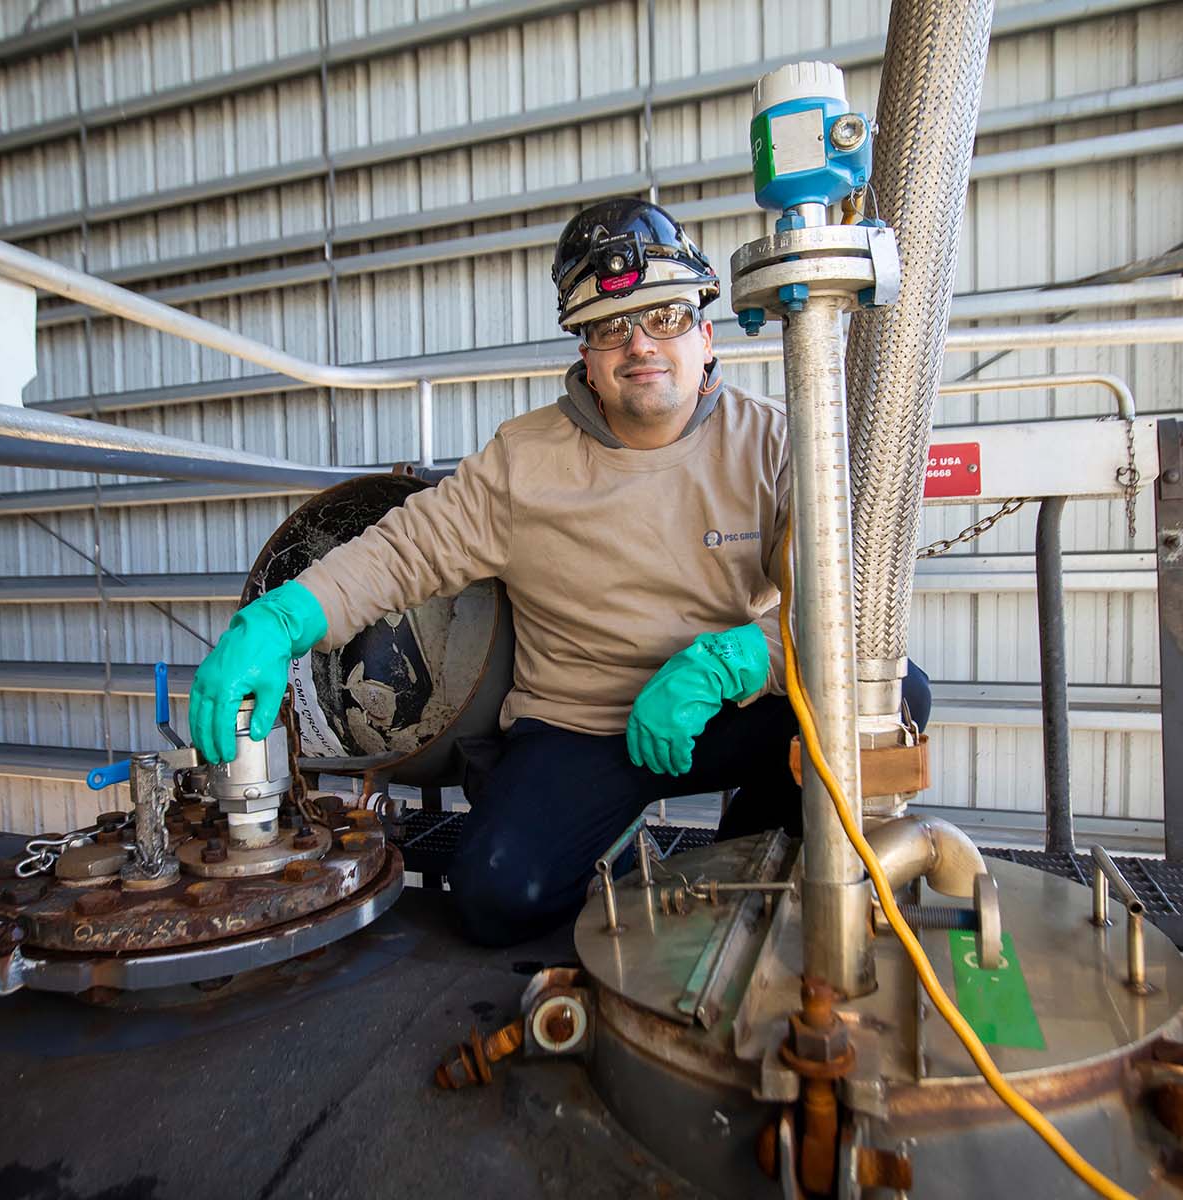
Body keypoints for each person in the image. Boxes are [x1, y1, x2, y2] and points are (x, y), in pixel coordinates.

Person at [188, 198, 930, 946]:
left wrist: (736, 657)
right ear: (586, 355)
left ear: (707, 332)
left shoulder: (773, 443)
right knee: (496, 897)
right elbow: (402, 550)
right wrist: (278, 620)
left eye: (665, 318)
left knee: (892, 695)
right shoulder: (523, 462)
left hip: (720, 709)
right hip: (582, 728)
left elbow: (839, 610)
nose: (639, 344)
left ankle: (745, 861)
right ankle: (620, 868)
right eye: (611, 328)